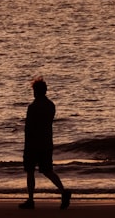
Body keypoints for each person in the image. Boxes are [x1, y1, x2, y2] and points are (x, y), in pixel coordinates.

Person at [20, 77, 71, 209]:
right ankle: (63, 191)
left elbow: (29, 127)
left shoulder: (33, 107)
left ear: (36, 91)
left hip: (33, 143)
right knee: (48, 170)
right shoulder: (50, 105)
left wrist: (27, 145)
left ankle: (31, 200)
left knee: (30, 171)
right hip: (47, 142)